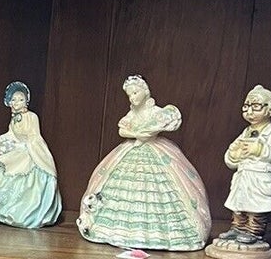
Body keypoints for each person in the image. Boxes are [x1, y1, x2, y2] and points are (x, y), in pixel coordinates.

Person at [77, 75, 210, 250]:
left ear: (145, 92)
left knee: (166, 188)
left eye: (135, 92)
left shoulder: (155, 111)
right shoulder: (132, 113)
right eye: (130, 95)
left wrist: (147, 131)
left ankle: (165, 233)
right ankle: (115, 230)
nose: (133, 97)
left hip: (156, 152)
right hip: (131, 151)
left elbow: (169, 122)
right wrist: (138, 134)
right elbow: (122, 129)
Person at [207, 85, 271, 259]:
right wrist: (234, 154)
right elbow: (231, 156)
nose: (249, 111)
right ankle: (237, 229)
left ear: (270, 110)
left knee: (256, 208)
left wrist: (261, 149)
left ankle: (254, 233)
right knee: (239, 206)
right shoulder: (245, 133)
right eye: (246, 106)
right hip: (243, 177)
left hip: (260, 178)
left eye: (256, 106)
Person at [0, 80, 63, 229]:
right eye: (14, 99)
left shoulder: (32, 117)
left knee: (21, 168)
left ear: (26, 102)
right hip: (18, 150)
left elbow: (35, 137)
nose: (17, 102)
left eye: (21, 99)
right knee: (1, 163)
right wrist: (5, 141)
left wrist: (24, 145)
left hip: (31, 152)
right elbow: (11, 134)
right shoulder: (14, 120)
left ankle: (16, 206)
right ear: (9, 102)